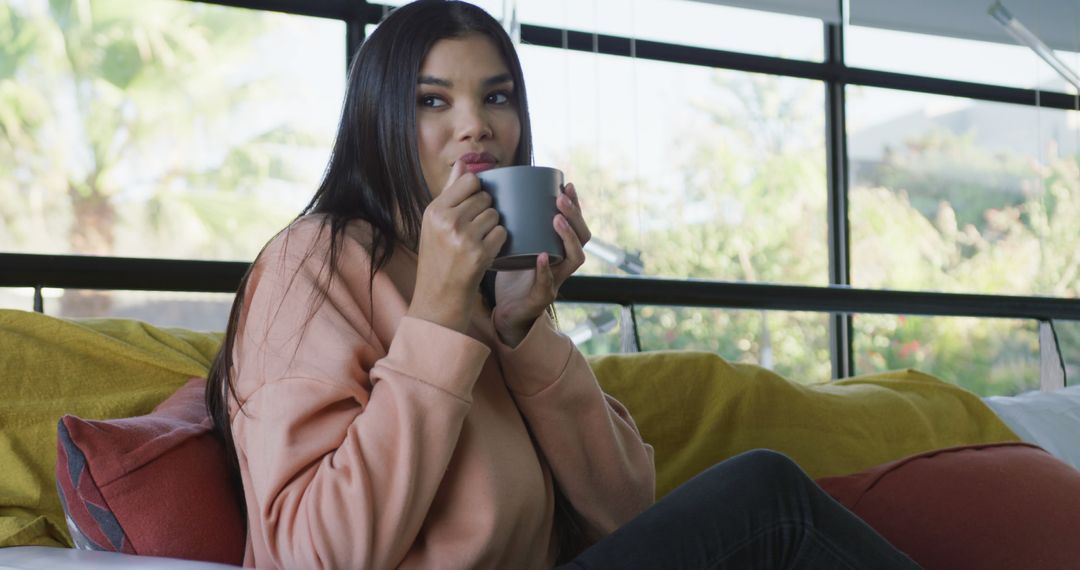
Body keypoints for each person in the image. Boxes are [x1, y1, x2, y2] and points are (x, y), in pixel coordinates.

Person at [205, 1, 920, 568]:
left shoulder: (487, 280)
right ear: (378, 118)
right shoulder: (314, 261)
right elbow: (312, 555)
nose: (475, 127)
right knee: (769, 497)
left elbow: (627, 512)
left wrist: (523, 332)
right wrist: (435, 318)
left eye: (497, 97)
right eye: (432, 101)